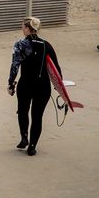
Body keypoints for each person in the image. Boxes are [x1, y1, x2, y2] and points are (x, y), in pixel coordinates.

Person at [7, 17, 61, 156]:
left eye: (23, 27)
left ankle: (24, 137)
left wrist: (11, 84)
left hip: (26, 84)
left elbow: (15, 65)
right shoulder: (46, 45)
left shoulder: (21, 44)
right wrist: (59, 88)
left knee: (23, 111)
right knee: (37, 117)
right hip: (43, 87)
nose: (22, 29)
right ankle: (32, 146)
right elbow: (56, 69)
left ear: (28, 29)